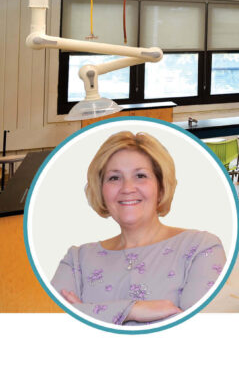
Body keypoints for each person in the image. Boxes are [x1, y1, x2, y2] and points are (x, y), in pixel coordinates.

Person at [50, 131, 226, 326]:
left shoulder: (201, 248)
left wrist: (84, 312)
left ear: (161, 187)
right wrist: (132, 310)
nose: (127, 188)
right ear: (101, 189)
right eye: (114, 178)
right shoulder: (76, 260)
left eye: (140, 176)